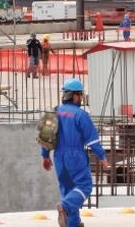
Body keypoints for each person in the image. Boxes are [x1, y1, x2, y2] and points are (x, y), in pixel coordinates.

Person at [41, 78, 109, 227]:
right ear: (75, 96)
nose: (81, 98)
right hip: (75, 156)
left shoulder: (53, 111)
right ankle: (64, 206)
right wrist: (102, 157)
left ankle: (73, 223)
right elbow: (92, 140)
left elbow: (46, 136)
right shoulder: (81, 115)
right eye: (80, 95)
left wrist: (45, 156)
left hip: (58, 156)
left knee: (68, 188)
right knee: (84, 186)